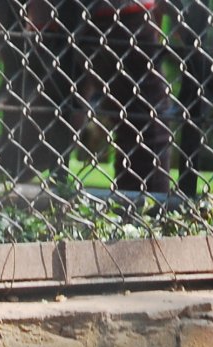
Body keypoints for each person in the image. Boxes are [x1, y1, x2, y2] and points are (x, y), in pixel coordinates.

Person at [29, 0, 175, 200]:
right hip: (114, 11)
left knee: (45, 135)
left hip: (56, 15)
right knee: (147, 125)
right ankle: (143, 218)